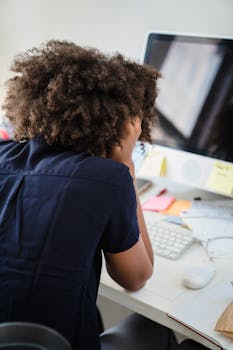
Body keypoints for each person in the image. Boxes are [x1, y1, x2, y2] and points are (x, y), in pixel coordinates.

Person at [0, 40, 208, 350]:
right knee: (159, 330)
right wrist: (126, 166)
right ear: (124, 124)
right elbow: (136, 278)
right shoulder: (106, 179)